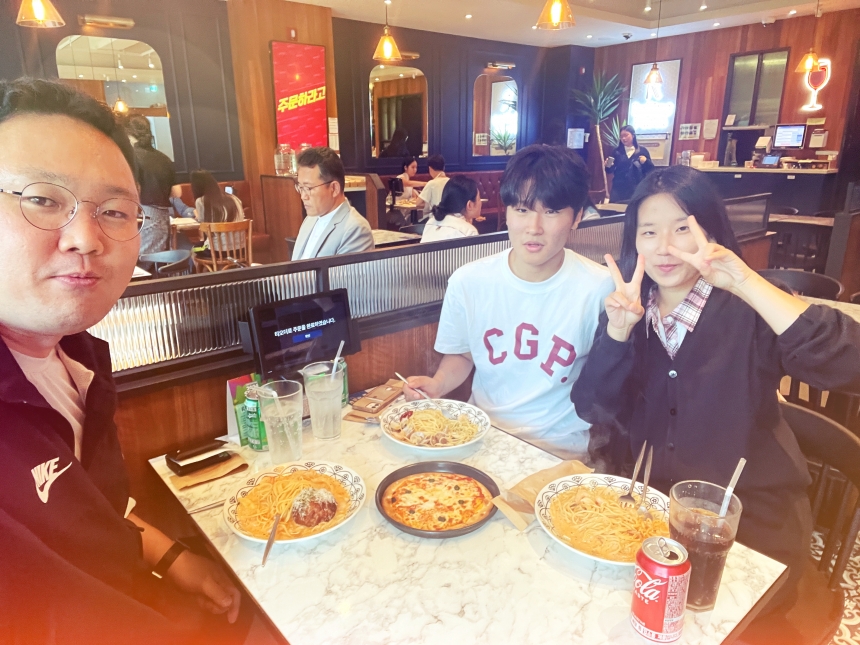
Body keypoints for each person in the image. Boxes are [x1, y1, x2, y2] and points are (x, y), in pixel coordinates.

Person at [0, 78, 246, 643]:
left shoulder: (77, 356)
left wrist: (172, 558)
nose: (85, 238)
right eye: (42, 199)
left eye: (113, 211)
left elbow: (93, 505)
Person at [571, 165, 860, 609]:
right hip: (654, 521)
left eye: (682, 229)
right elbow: (591, 407)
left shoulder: (747, 308)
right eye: (649, 232)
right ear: (634, 241)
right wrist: (618, 332)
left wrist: (746, 283)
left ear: (710, 230)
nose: (664, 247)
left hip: (752, 527)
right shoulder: (630, 310)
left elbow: (849, 364)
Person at [404, 145, 612, 459]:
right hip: (480, 440)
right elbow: (462, 355)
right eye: (522, 210)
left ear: (577, 217)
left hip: (558, 454)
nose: (534, 228)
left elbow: (608, 387)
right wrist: (438, 384)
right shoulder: (469, 282)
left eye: (551, 211)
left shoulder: (600, 288)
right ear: (507, 211)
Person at [291, 147, 374, 260]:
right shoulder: (310, 219)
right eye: (300, 187)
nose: (303, 196)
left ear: (334, 188)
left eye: (308, 188)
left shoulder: (355, 229)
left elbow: (344, 272)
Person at [127, 115, 175, 254]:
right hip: (161, 215)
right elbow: (176, 192)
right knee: (156, 259)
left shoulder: (130, 157)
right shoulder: (164, 158)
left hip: (144, 214)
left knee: (140, 259)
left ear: (128, 134)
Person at [190, 170, 246, 259]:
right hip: (241, 249)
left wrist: (197, 216)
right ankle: (227, 267)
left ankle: (213, 268)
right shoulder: (234, 198)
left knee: (193, 250)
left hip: (217, 251)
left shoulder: (201, 201)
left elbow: (205, 229)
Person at [421, 175, 481, 243]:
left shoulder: (430, 222)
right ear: (469, 205)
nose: (480, 202)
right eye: (479, 199)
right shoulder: (469, 232)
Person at [605, 125, 653, 203]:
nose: (624, 138)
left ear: (633, 135)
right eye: (621, 136)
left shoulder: (642, 151)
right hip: (618, 188)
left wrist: (646, 162)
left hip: (636, 188)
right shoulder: (616, 152)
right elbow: (609, 171)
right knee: (614, 208)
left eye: (626, 135)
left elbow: (651, 170)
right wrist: (608, 165)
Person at [415, 154, 449, 219]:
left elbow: (417, 203)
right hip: (449, 219)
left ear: (430, 168)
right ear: (444, 167)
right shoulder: (451, 182)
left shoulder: (431, 183)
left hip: (434, 219)